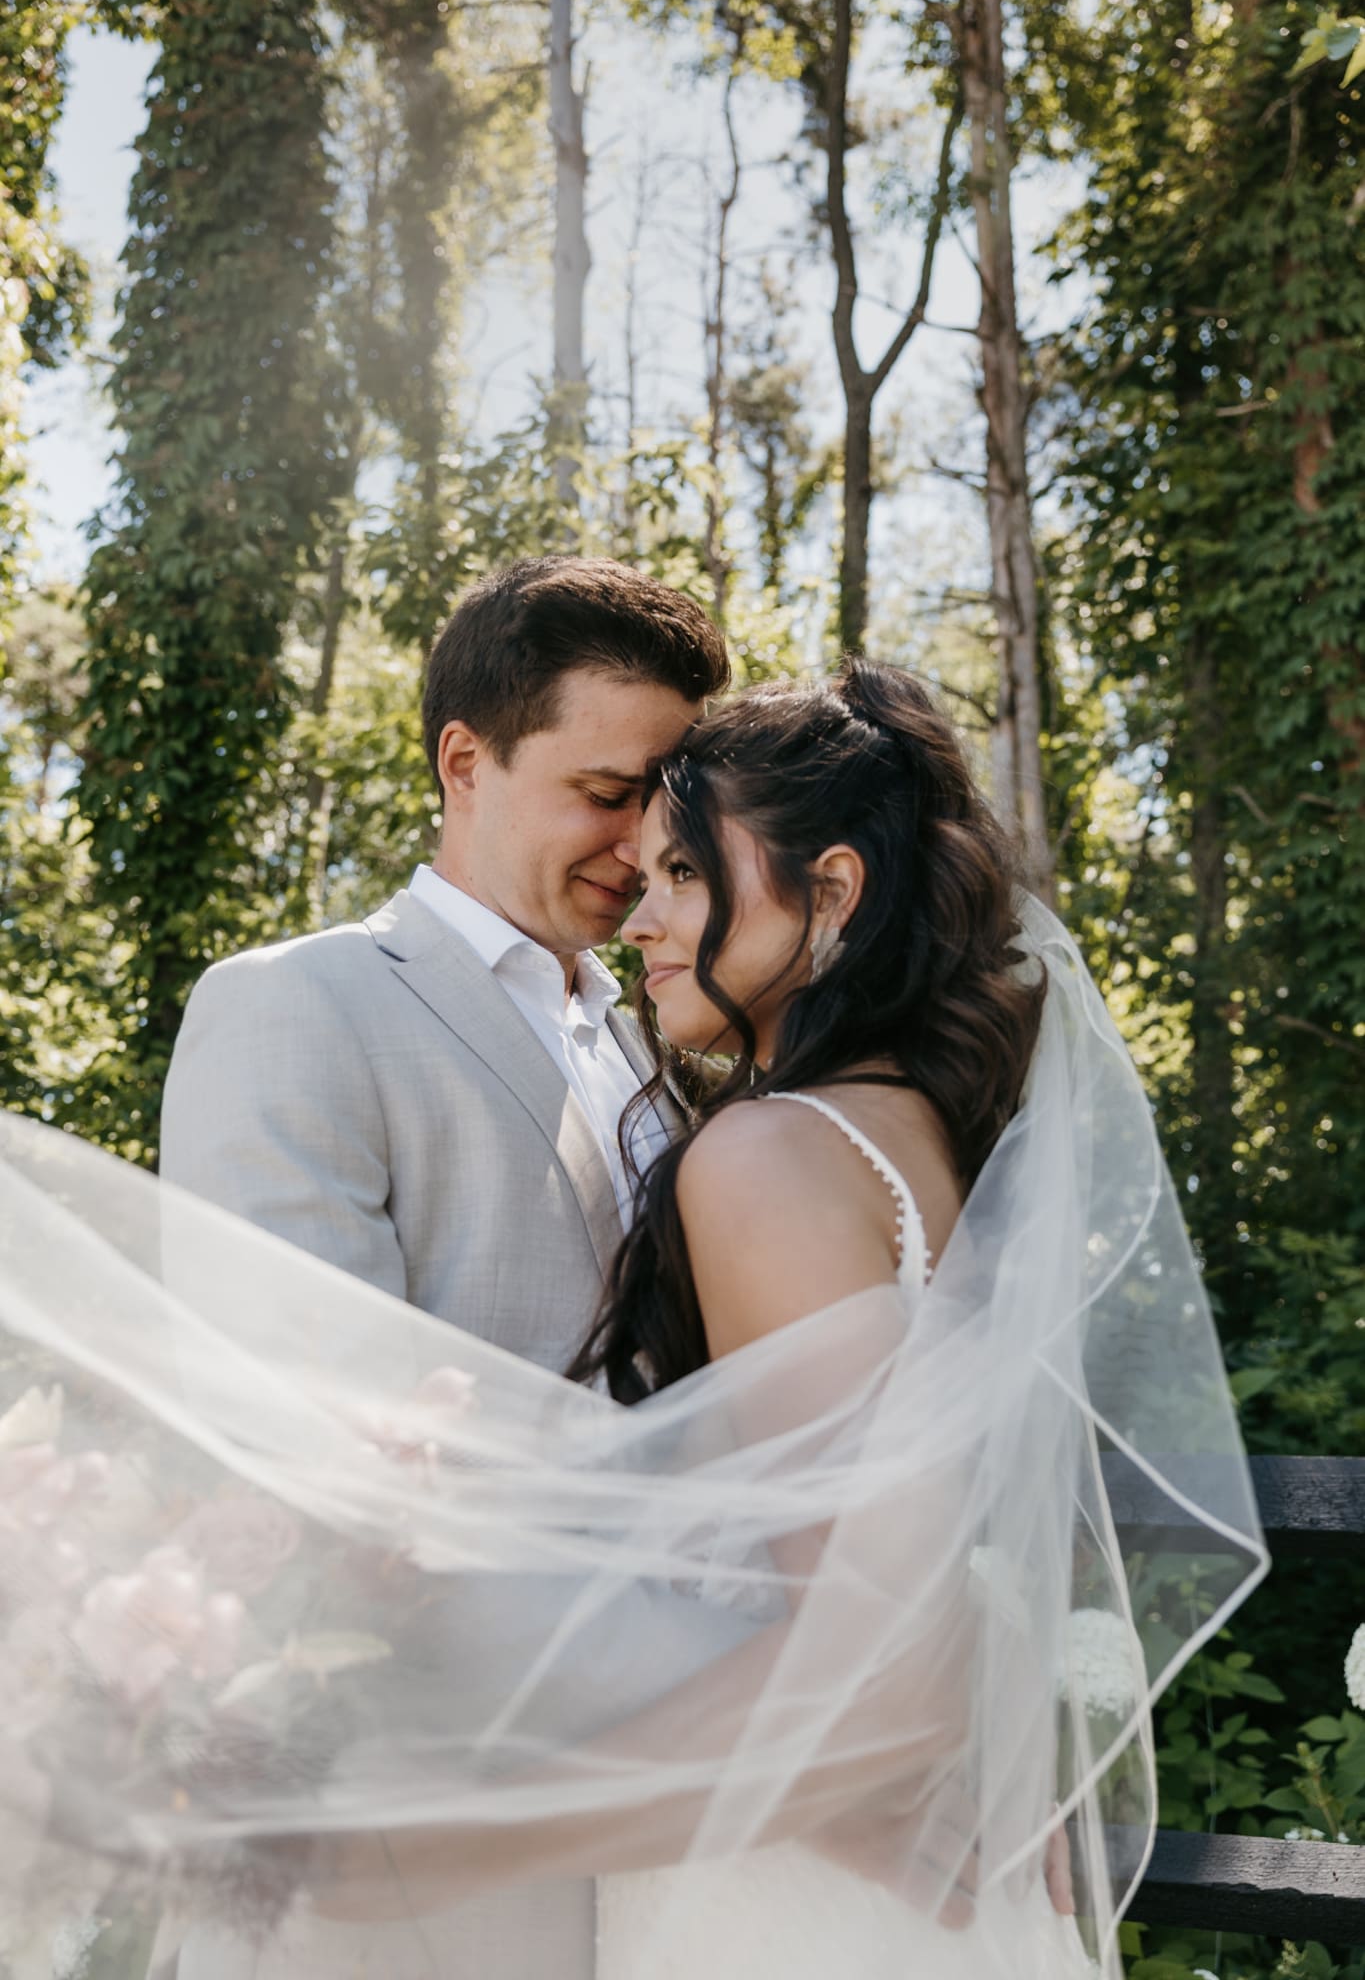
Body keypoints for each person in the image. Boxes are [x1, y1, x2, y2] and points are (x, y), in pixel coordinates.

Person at [0, 662, 1264, 1980]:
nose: (637, 915)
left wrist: (428, 1844)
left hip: (765, 1865)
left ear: (830, 892)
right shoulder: (905, 1131)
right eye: (617, 829)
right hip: (798, 1821)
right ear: (460, 762)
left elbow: (885, 1654)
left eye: (680, 873)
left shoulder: (761, 1149)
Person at [158, 554, 728, 1979]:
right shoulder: (296, 1006)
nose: (638, 843)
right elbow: (315, 1433)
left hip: (645, 1807)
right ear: (463, 760)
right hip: (408, 1792)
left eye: (665, 807)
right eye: (604, 793)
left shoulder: (663, 1037)